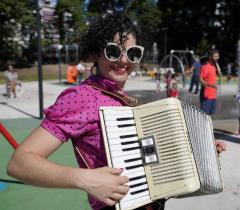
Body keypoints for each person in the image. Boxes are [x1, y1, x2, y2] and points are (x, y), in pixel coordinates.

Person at [7, 14, 226, 210]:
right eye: (113, 51)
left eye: (132, 53)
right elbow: (20, 163)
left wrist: (198, 153)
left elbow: (152, 162)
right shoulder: (81, 97)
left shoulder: (125, 100)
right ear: (96, 53)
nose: (123, 60)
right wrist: (85, 179)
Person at [199, 49, 220, 115]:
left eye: (218, 56)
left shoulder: (214, 66)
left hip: (213, 95)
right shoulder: (205, 66)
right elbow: (200, 80)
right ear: (210, 57)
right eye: (215, 56)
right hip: (206, 95)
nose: (217, 58)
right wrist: (211, 85)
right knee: (204, 116)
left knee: (210, 115)